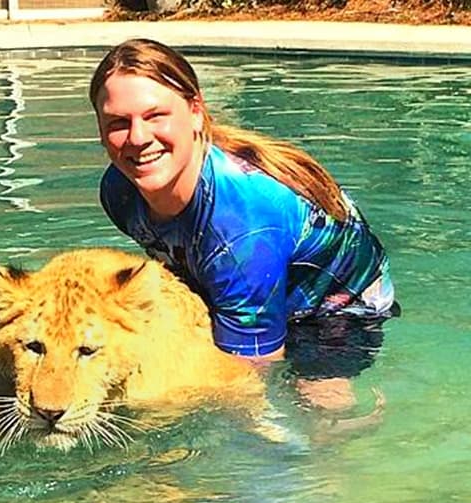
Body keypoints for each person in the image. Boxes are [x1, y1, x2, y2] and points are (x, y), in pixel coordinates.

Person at [89, 38, 399, 410]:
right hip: (246, 278)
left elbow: (251, 372)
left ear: (195, 112)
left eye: (156, 116)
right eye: (118, 123)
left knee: (313, 406)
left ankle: (334, 454)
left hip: (333, 310)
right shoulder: (120, 193)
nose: (138, 138)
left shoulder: (241, 224)